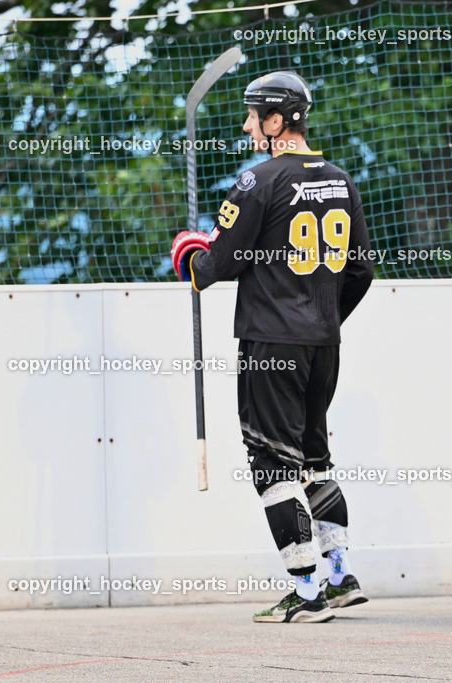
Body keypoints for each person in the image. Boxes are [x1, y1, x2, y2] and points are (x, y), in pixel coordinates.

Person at [170, 71, 374, 623]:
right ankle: (340, 576)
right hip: (321, 346)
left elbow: (217, 265)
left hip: (271, 344)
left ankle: (306, 593)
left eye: (252, 115)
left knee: (271, 463)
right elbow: (361, 271)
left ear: (276, 120)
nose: (245, 125)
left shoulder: (257, 180)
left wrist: (189, 256)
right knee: (314, 459)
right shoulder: (340, 179)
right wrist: (324, 319)